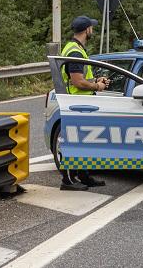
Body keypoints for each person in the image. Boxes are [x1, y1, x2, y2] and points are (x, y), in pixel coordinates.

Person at [58, 16, 109, 191]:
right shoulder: (75, 52)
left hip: (81, 102)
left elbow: (81, 77)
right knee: (75, 142)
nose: (92, 30)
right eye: (91, 28)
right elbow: (77, 82)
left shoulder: (76, 48)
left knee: (84, 142)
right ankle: (68, 180)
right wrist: (97, 86)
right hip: (77, 104)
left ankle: (83, 176)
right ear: (87, 30)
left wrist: (95, 79)